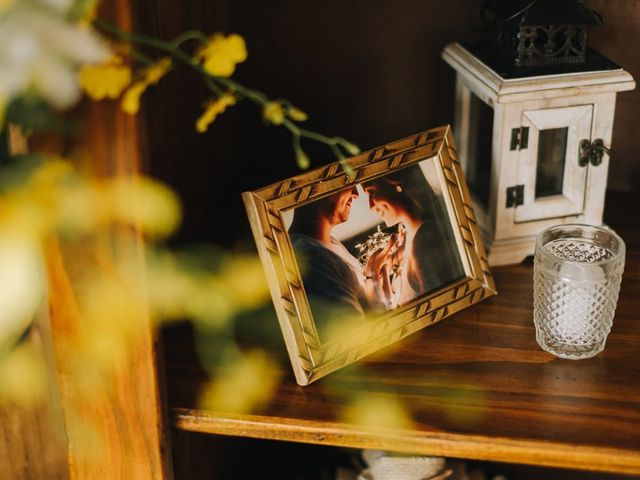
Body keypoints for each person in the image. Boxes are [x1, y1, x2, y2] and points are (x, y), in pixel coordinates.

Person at [362, 166, 465, 306]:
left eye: (372, 193)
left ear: (395, 183)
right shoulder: (409, 238)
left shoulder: (425, 241)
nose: (370, 206)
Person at [288, 187, 372, 339]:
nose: (356, 194)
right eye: (347, 180)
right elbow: (354, 335)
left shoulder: (330, 244)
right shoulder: (307, 258)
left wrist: (374, 275)